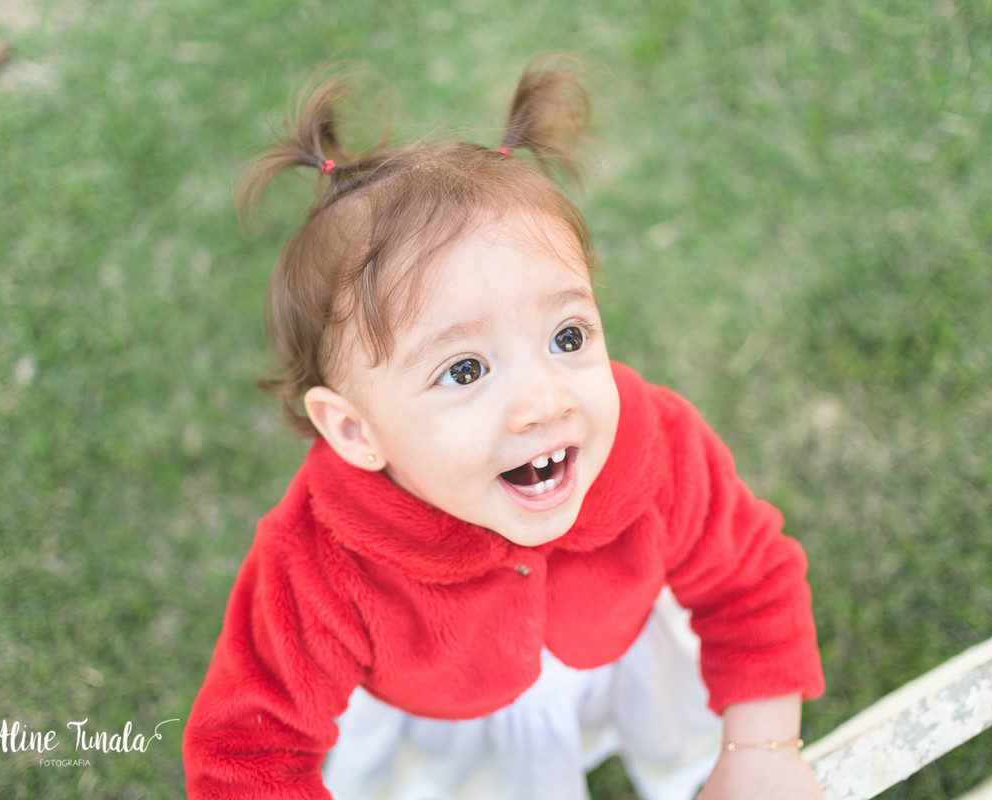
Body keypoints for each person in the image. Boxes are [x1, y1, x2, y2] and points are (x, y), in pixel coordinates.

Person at [182, 57, 825, 800]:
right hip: (449, 722)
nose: (546, 401)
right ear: (356, 431)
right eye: (464, 370)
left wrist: (761, 749)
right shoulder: (318, 558)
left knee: (683, 740)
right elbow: (247, 748)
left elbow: (751, 582)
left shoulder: (657, 446)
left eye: (567, 336)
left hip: (620, 658)